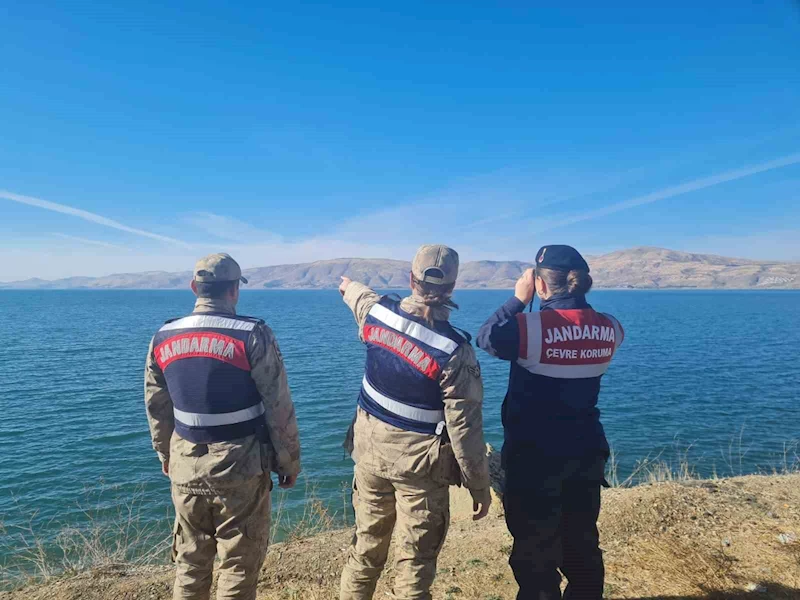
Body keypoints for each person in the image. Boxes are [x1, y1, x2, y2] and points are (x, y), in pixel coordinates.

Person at [338, 244, 492, 600]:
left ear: (411, 279)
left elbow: (358, 296)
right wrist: (478, 485)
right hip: (419, 469)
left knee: (365, 549)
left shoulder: (376, 313)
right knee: (415, 563)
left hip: (368, 455)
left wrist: (347, 285)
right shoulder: (454, 351)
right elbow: (464, 428)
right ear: (452, 289)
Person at [144, 253, 301, 600]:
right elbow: (279, 407)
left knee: (190, 564)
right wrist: (288, 462)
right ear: (234, 291)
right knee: (238, 568)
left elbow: (157, 406)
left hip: (185, 465)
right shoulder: (253, 334)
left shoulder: (163, 336)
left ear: (194, 288)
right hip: (240, 469)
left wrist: (164, 453)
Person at [477, 245, 624, 600]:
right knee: (583, 545)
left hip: (535, 459)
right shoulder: (611, 329)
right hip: (586, 454)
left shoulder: (529, 328)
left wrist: (516, 300)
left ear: (541, 286)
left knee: (534, 554)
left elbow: (487, 337)